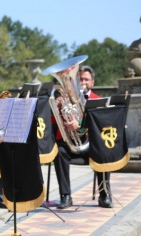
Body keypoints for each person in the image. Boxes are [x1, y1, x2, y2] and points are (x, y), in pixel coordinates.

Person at [53, 65, 113, 209]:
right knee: (59, 151)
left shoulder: (99, 100)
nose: (83, 82)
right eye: (80, 79)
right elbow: (55, 124)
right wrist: (56, 106)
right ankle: (65, 196)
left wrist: (79, 126)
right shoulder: (65, 100)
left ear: (92, 82)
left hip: (92, 147)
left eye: (86, 79)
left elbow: (101, 126)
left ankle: (104, 194)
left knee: (103, 148)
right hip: (73, 146)